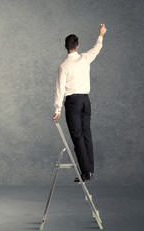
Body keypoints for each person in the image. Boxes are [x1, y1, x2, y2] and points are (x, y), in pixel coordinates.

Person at [53, 23, 107, 182]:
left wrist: (57, 109)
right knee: (86, 134)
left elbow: (59, 89)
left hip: (73, 103)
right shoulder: (85, 58)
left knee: (77, 137)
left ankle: (86, 172)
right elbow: (97, 48)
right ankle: (89, 170)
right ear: (77, 46)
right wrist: (101, 34)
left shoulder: (63, 66)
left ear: (65, 47)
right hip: (85, 101)